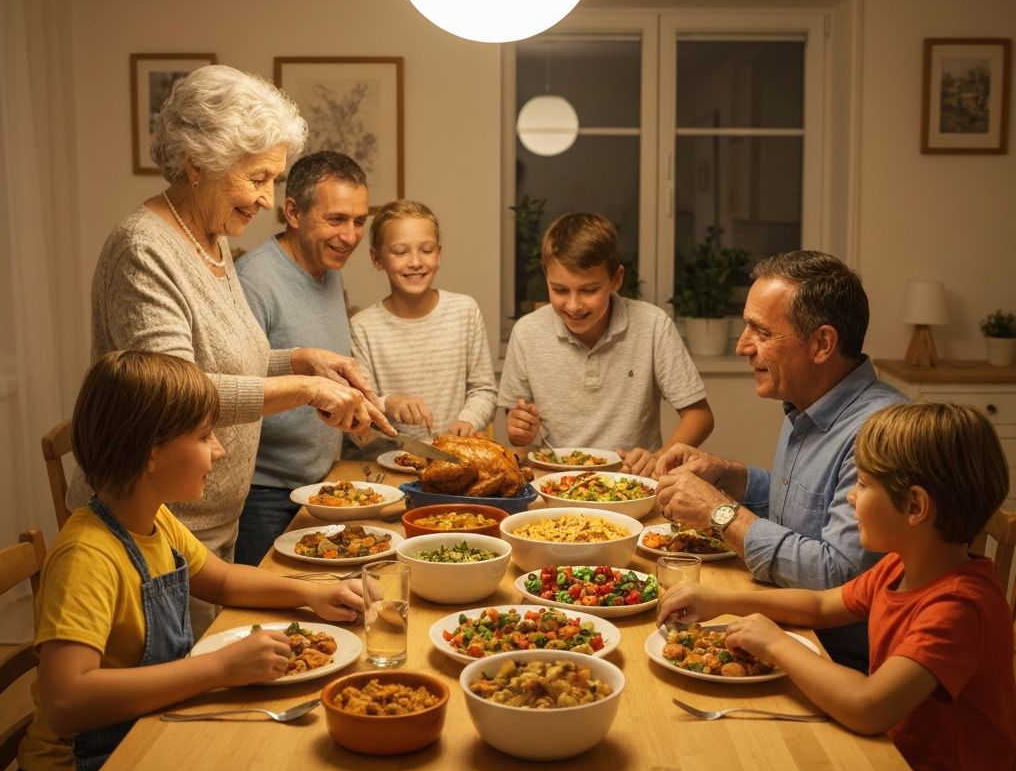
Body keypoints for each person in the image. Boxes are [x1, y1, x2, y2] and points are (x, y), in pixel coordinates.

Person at [17, 350, 360, 771]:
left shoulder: (152, 521)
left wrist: (314, 595)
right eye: (204, 436)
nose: (220, 449)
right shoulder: (88, 554)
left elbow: (223, 581)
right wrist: (217, 667)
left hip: (144, 743)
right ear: (151, 451)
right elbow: (65, 699)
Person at [73, 65, 394, 629]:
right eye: (257, 178)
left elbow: (224, 359)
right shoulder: (144, 250)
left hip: (208, 526)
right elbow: (172, 396)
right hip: (154, 525)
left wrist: (300, 358)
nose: (269, 201)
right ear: (198, 164)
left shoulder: (214, 242)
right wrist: (303, 387)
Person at [657, 402, 1016, 771]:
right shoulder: (903, 566)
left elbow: (869, 707)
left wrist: (776, 643)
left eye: (864, 485)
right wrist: (721, 598)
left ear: (914, 507)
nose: (850, 495)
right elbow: (823, 605)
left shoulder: (959, 607)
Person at [654, 250, 906, 669]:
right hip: (785, 628)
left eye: (761, 332)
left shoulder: (882, 432)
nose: (741, 346)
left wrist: (720, 513)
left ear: (822, 344)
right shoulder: (806, 401)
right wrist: (729, 475)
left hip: (838, 659)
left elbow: (838, 577)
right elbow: (807, 509)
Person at [498, 211, 713, 475]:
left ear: (616, 279)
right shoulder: (526, 332)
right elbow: (519, 438)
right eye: (560, 290)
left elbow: (700, 417)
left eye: (589, 290)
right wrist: (519, 432)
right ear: (546, 278)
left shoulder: (653, 325)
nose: (574, 305)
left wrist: (658, 459)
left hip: (632, 480)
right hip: (554, 481)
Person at [234, 151, 371, 565]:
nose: (350, 236)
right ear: (292, 212)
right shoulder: (255, 280)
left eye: (359, 221)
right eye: (336, 220)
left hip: (319, 484)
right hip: (265, 494)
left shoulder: (329, 270)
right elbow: (239, 387)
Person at [350, 199, 497, 441]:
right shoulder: (363, 327)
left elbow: (484, 390)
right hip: (392, 460)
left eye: (426, 250)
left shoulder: (465, 311)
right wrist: (390, 403)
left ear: (438, 255)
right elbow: (363, 403)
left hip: (454, 456)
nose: (416, 262)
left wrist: (468, 420)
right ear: (377, 259)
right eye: (400, 252)